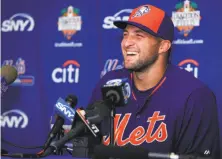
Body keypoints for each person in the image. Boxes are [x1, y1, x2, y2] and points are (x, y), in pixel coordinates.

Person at [88, 4, 220, 158]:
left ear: (163, 46)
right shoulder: (109, 83)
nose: (126, 43)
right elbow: (89, 146)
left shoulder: (194, 96)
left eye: (139, 35)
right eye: (125, 34)